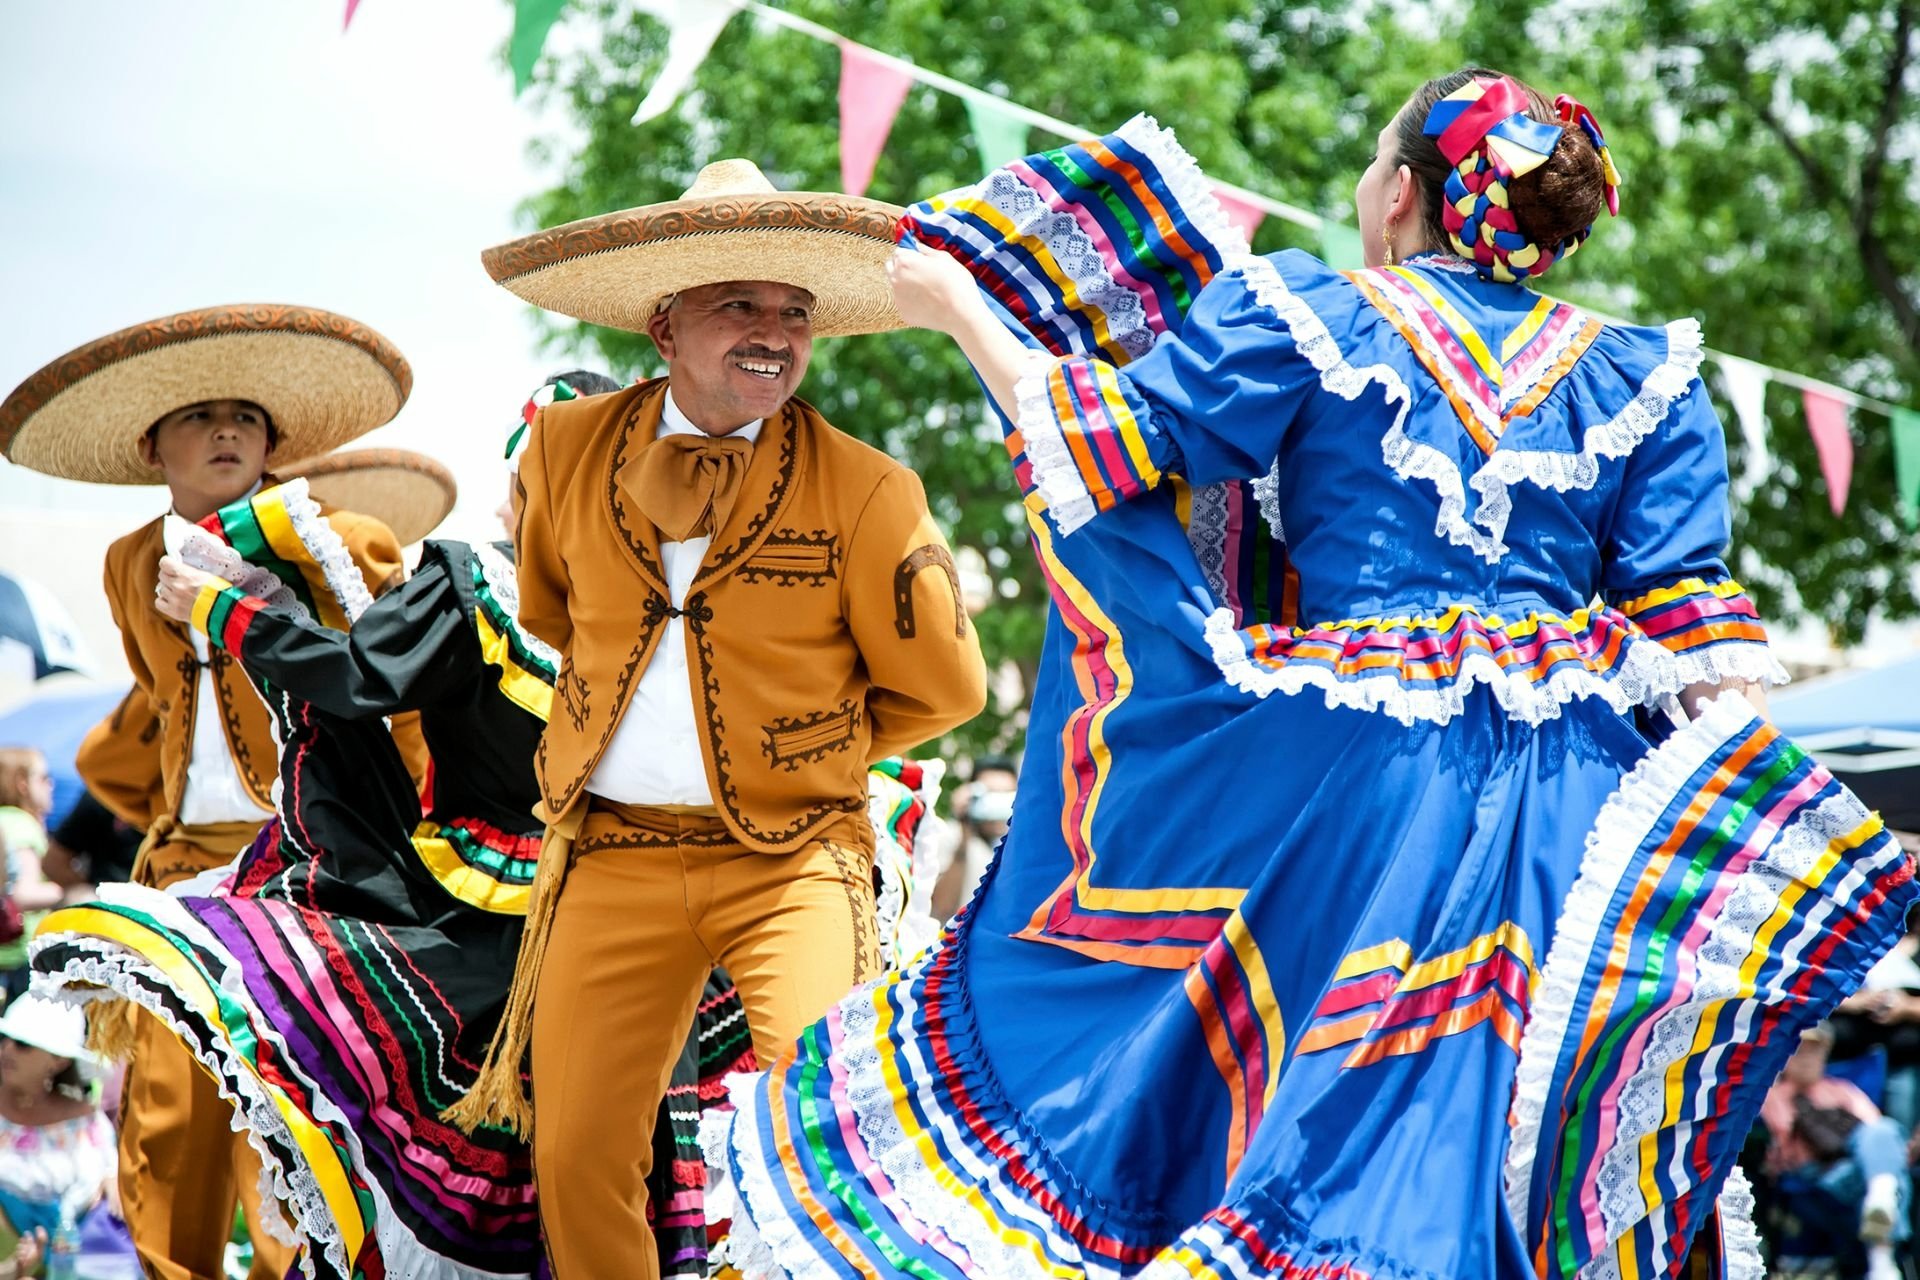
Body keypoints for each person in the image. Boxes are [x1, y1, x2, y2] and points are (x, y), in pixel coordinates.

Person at [703, 75, 1915, 1280]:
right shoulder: (1641, 375)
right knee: (1516, 1123)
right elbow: (1702, 651)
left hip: (1357, 782)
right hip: (1583, 806)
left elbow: (1106, 448)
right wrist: (1774, 848)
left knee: (1310, 1097)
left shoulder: (1312, 309)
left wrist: (961, 305)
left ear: (1399, 192)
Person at [448, 158, 989, 1279]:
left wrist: (801, 751)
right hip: (613, 855)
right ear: (663, 324)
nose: (773, 331)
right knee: (579, 1145)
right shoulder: (561, 451)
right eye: (739, 302)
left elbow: (946, 688)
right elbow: (552, 608)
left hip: (794, 858)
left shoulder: (871, 486)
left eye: (793, 311)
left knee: (823, 1142)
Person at [0, 303, 429, 1280]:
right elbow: (158, 712)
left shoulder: (339, 538)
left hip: (305, 872)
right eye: (201, 415)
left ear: (276, 440)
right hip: (184, 866)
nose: (228, 430)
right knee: (164, 1119)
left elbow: (399, 699)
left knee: (287, 1124)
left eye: (246, 413)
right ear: (153, 442)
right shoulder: (126, 562)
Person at [1760, 1024, 1909, 1280]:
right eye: (1800, 1050)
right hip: (1814, 1177)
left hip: (1858, 1164)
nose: (1807, 1057)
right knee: (1894, 1183)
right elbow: (1786, 1144)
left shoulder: (1843, 1089)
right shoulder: (1772, 1095)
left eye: (1815, 1050)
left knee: (1883, 1132)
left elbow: (1878, 1132)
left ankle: (1881, 1191)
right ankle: (1881, 1258)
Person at [0, 996, 114, 1279]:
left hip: (77, 1259)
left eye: (23, 1044)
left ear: (58, 1060)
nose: (7, 1050)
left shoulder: (88, 1122)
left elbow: (109, 1176)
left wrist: (115, 1180)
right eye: (4, 1038)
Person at [0, 749, 61, 1007]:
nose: (51, 785)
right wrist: (67, 890)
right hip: (20, 956)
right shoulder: (22, 825)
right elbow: (23, 894)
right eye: (43, 778)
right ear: (22, 785)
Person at [931, 754, 1016, 920]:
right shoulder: (949, 835)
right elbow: (941, 908)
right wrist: (965, 832)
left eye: (1006, 796)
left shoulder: (1022, 842)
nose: (996, 805)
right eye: (989, 795)